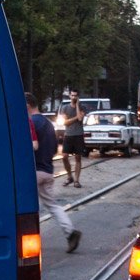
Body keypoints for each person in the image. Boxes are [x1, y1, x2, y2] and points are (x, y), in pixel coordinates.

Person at [27, 94, 81, 252]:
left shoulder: (30, 123)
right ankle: (70, 232)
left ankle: (27, 240)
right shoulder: (49, 124)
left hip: (34, 172)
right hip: (48, 171)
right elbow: (54, 149)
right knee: (52, 205)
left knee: (24, 207)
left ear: (28, 105)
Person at [59, 90, 86, 187]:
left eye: (75, 95)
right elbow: (65, 122)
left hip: (78, 135)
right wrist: (75, 117)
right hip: (68, 135)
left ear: (78, 97)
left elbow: (80, 119)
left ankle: (76, 180)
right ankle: (69, 176)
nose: (74, 97)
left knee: (78, 158)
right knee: (64, 156)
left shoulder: (82, 107)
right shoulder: (65, 108)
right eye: (72, 95)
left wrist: (78, 105)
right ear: (70, 96)